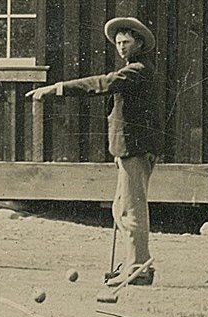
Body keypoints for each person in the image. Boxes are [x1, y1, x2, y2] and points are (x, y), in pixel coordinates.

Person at [26, 17, 160, 286]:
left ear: (140, 43)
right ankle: (134, 264)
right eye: (119, 43)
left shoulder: (138, 70)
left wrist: (57, 89)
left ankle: (139, 269)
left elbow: (103, 83)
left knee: (131, 211)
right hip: (127, 148)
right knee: (121, 208)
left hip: (135, 148)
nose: (121, 47)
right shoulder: (133, 69)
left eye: (127, 42)